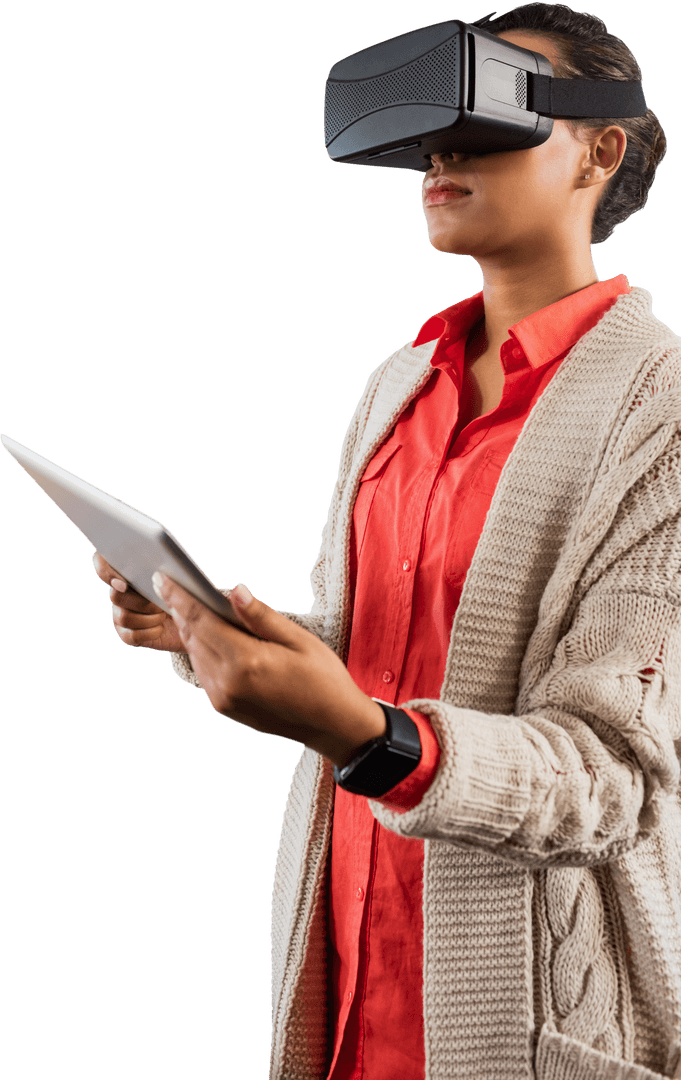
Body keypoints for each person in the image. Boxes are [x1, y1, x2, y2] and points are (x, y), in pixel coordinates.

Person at [92, 3, 681, 1078]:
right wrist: (210, 631)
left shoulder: (666, 411)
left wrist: (374, 740)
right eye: (431, 129)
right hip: (347, 985)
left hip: (533, 1026)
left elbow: (612, 778)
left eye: (492, 114)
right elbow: (366, 649)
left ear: (602, 149)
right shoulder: (398, 388)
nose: (442, 151)